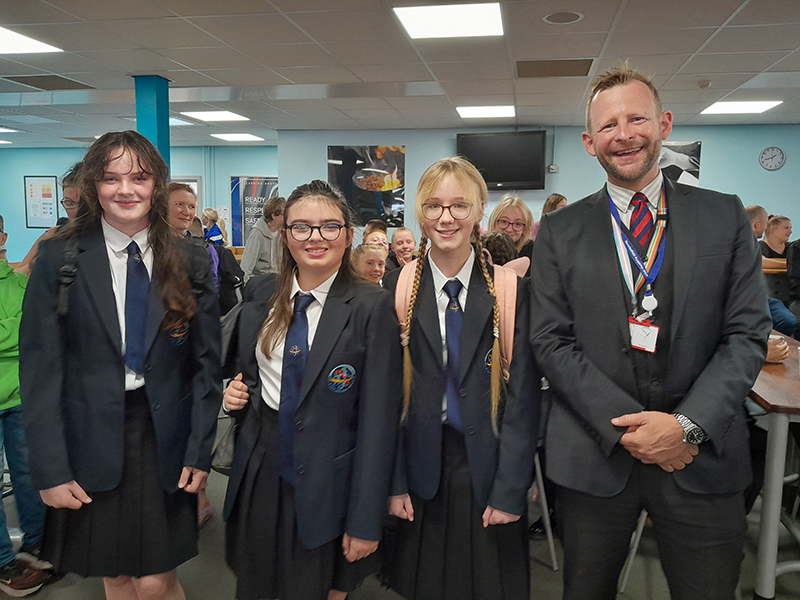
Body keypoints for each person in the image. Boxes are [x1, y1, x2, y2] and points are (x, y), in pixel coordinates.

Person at [529, 66, 771, 600]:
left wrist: (685, 426)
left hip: (700, 456)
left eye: (636, 118)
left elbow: (746, 333)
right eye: (608, 125)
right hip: (597, 459)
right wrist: (631, 431)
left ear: (662, 124)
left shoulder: (724, 216)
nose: (624, 134)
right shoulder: (559, 233)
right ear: (590, 143)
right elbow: (550, 340)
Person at [19, 130, 222, 600]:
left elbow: (206, 366)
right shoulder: (59, 257)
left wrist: (200, 449)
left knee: (155, 581)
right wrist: (49, 470)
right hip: (90, 437)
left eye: (139, 177)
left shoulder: (190, 258)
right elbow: (40, 370)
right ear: (94, 186)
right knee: (118, 577)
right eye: (110, 178)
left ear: (157, 185)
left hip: (164, 436)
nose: (125, 189)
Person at [222, 180, 402, 600]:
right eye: (301, 227)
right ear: (284, 236)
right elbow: (254, 373)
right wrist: (237, 396)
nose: (315, 237)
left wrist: (364, 520)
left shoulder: (371, 306)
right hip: (262, 469)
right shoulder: (262, 294)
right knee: (257, 584)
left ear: (348, 235)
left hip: (331, 479)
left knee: (317, 588)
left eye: (329, 227)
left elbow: (379, 424)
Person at [382, 157, 539, 600]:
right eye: (433, 206)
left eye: (458, 205)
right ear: (419, 212)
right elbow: (385, 400)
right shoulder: (395, 290)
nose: (446, 217)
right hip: (420, 469)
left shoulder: (510, 292)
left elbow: (525, 399)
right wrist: (392, 483)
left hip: (488, 465)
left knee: (489, 584)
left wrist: (512, 488)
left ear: (479, 209)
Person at [0, 216, 50, 597]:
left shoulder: (20, 281)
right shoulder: (21, 277)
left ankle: (39, 543)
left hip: (20, 395)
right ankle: (4, 561)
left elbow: (34, 334)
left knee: (29, 474)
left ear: (2, 236)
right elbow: (16, 336)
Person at [12, 163, 82, 276]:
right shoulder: (52, 235)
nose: (77, 210)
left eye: (85, 203)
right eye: (69, 202)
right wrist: (38, 262)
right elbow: (19, 274)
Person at [759, 215, 798, 338]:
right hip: (769, 297)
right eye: (786, 228)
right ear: (773, 229)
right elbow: (761, 262)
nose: (790, 231)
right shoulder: (760, 246)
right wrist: (791, 264)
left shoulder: (792, 247)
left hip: (790, 297)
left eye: (791, 228)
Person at [240, 196, 286, 282]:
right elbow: (245, 268)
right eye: (284, 214)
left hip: (278, 281)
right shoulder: (256, 234)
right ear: (274, 216)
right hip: (261, 282)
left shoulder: (282, 233)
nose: (287, 217)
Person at [487, 194, 534, 267]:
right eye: (504, 222)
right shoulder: (481, 248)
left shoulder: (534, 252)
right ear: (493, 223)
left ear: (525, 229)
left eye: (517, 224)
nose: (509, 229)